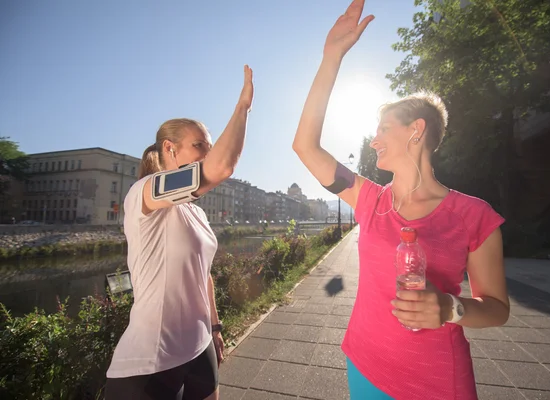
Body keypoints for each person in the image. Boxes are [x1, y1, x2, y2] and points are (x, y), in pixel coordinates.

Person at [292, 1, 510, 399]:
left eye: (383, 129)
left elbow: (497, 307)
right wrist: (331, 57)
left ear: (416, 130)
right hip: (363, 364)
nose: (374, 140)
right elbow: (305, 146)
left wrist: (450, 308)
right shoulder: (369, 200)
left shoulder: (474, 215)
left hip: (436, 381)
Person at [104, 65, 254, 400]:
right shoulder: (145, 191)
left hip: (200, 347)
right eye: (199, 144)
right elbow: (221, 167)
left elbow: (204, 275)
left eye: (209, 144)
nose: (208, 152)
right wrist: (242, 108)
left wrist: (214, 328)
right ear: (170, 149)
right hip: (151, 359)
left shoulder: (196, 212)